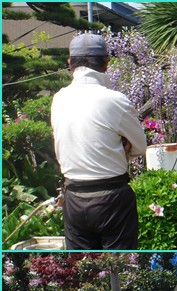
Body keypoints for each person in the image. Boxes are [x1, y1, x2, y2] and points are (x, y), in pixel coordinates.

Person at [51, 33, 147, 250]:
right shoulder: (115, 100)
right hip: (112, 198)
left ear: (70, 63)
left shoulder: (58, 99)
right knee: (120, 268)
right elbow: (140, 147)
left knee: (84, 267)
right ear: (106, 63)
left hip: (73, 198)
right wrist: (121, 149)